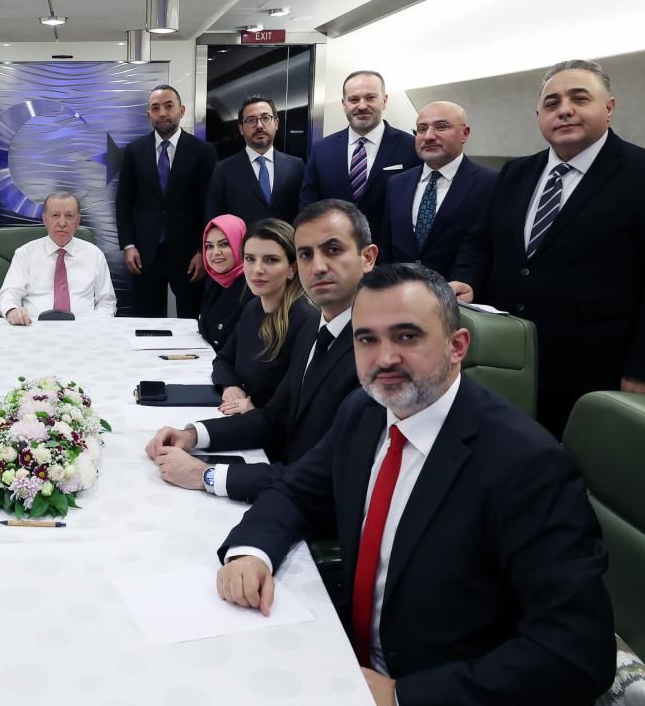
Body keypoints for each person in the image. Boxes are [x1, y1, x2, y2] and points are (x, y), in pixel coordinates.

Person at [215, 264, 615, 705]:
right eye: (367, 339)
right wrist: (251, 552)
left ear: (457, 346)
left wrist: (402, 696)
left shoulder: (528, 465)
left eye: (407, 336)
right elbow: (297, 491)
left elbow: (576, 652)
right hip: (343, 662)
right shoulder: (362, 411)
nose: (384, 358)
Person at [450, 59, 645, 437]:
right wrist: (466, 279)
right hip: (502, 361)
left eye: (579, 99)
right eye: (552, 103)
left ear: (609, 108)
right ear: (539, 116)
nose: (564, 109)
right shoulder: (515, 173)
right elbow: (480, 241)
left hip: (590, 376)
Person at [147, 199, 373, 502]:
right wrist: (192, 435)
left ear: (367, 258)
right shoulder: (313, 329)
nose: (318, 267)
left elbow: (327, 475)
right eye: (306, 254)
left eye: (333, 250)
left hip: (308, 501)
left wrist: (207, 475)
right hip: (281, 479)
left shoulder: (371, 351)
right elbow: (274, 417)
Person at [116, 84, 218, 318]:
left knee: (191, 320)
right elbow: (124, 202)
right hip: (145, 253)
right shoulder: (134, 151)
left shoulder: (203, 151)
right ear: (149, 114)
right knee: (146, 322)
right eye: (155, 108)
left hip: (189, 254)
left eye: (168, 106)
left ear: (181, 111)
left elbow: (210, 205)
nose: (162, 113)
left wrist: (203, 251)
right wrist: (129, 245)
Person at [379, 101, 497, 278]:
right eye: (421, 129)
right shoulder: (397, 183)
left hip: (457, 292)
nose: (428, 136)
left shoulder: (490, 183)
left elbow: (490, 249)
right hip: (399, 288)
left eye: (441, 127)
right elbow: (387, 247)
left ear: (465, 133)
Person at [298, 70, 419, 239]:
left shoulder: (411, 147)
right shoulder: (321, 150)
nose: (362, 106)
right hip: (333, 248)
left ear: (384, 101)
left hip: (389, 251)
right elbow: (308, 208)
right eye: (354, 99)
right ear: (344, 104)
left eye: (370, 98)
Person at [210, 219, 313, 413]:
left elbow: (295, 405)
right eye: (250, 259)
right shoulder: (253, 307)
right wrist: (230, 386)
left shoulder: (305, 320)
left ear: (292, 268)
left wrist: (254, 411)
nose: (257, 269)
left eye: (271, 260)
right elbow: (222, 360)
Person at [0, 192, 116, 325]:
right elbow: (8, 294)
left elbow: (107, 302)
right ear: (45, 219)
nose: (62, 223)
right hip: (34, 328)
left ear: (78, 220)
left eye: (69, 216)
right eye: (55, 215)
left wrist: (93, 324)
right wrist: (13, 310)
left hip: (84, 329)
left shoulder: (94, 254)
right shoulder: (25, 253)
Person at [205, 96, 305, 225]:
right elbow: (215, 219)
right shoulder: (223, 170)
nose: (259, 126)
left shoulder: (296, 166)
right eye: (251, 120)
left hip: (286, 238)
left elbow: (304, 214)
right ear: (241, 129)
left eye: (265, 118)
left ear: (276, 123)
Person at [197, 214, 253, 351]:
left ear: (241, 245)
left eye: (224, 244)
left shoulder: (253, 288)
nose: (215, 252)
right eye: (209, 246)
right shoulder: (216, 281)